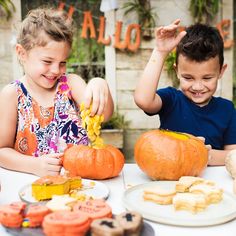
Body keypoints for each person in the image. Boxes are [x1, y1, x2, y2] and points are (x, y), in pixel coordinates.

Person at [0, 8, 114, 176]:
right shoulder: (12, 94)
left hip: (79, 185)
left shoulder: (72, 84)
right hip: (31, 186)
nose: (55, 70)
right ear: (22, 53)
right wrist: (34, 165)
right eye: (47, 61)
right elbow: (2, 150)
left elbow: (104, 114)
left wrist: (100, 84)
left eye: (62, 62)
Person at [134, 19, 236, 166]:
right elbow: (143, 100)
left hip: (211, 184)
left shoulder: (227, 109)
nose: (198, 86)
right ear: (177, 71)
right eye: (188, 78)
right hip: (168, 179)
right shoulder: (171, 100)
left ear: (221, 71)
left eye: (207, 78)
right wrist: (160, 52)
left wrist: (205, 155)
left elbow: (233, 155)